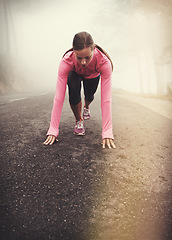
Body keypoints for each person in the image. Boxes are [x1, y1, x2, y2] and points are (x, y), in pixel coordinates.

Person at [43, 31, 115, 149]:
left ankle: (86, 106)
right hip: (75, 74)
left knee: (89, 96)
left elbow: (106, 99)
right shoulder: (67, 61)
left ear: (93, 50)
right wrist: (53, 129)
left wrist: (107, 131)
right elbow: (58, 98)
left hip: (93, 76)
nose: (83, 62)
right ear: (73, 52)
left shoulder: (104, 62)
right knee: (73, 87)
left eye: (87, 57)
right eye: (79, 58)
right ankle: (79, 120)